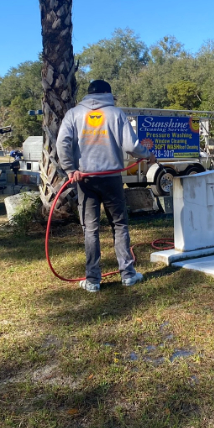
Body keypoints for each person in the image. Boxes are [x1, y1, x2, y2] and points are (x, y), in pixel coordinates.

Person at [56, 80, 157, 293]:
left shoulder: (74, 114)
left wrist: (69, 169)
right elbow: (131, 146)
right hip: (111, 178)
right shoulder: (115, 113)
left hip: (84, 179)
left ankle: (93, 280)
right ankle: (128, 275)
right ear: (108, 94)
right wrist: (147, 155)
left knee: (90, 228)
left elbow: (62, 142)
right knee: (119, 225)